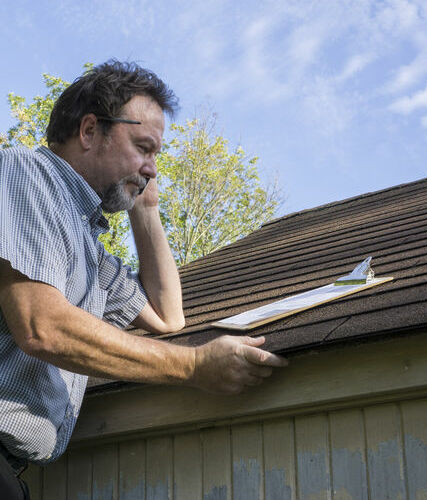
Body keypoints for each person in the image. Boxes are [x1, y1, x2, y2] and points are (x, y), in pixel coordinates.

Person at [0, 61, 288, 499]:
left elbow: (168, 316)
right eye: (143, 147)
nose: (153, 168)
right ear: (90, 131)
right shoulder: (24, 175)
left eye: (157, 155)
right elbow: (43, 326)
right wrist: (193, 366)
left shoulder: (91, 253)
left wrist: (146, 208)